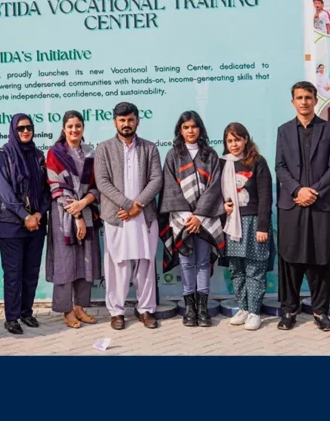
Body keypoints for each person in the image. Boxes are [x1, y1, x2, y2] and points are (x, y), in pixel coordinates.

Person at [95, 102, 162, 330]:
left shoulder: (150, 148)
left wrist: (138, 206)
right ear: (115, 122)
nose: (126, 124)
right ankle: (117, 312)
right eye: (122, 120)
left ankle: (146, 310)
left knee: (146, 263)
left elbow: (156, 179)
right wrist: (127, 205)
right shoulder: (104, 149)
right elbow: (102, 181)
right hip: (118, 216)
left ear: (137, 121)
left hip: (145, 216)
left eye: (130, 120)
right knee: (118, 265)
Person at [275, 81, 330, 332]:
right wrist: (298, 190)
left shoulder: (329, 130)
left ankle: (320, 312)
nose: (304, 102)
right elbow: (280, 167)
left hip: (321, 204)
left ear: (315, 100)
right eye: (299, 98)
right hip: (292, 204)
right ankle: (289, 310)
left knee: (320, 259)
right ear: (293, 102)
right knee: (290, 258)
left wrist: (314, 191)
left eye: (308, 97)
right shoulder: (283, 130)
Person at [159, 111, 224, 327]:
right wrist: (188, 217)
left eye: (194, 127)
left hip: (206, 219)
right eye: (186, 127)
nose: (190, 131)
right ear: (180, 130)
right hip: (182, 219)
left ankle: (202, 308)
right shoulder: (173, 155)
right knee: (186, 262)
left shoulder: (210, 154)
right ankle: (189, 308)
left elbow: (215, 186)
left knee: (203, 262)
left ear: (200, 129)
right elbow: (170, 186)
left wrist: (199, 216)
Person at [0, 113, 50, 334]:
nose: (25, 131)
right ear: (13, 130)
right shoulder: (3, 155)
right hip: (11, 224)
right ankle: (12, 317)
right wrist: (24, 216)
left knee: (31, 272)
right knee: (14, 273)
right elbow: (4, 190)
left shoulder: (38, 155)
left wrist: (38, 213)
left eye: (29, 127)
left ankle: (26, 312)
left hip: (36, 223)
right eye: (20, 128)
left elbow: (46, 189)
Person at [45, 110, 101, 328]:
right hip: (63, 214)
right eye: (70, 126)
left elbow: (96, 186)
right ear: (63, 128)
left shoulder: (90, 152)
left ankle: (80, 307)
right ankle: (66, 310)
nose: (74, 130)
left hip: (86, 210)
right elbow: (56, 186)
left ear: (83, 128)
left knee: (85, 260)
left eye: (78, 126)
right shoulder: (55, 153)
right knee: (65, 261)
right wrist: (76, 214)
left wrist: (84, 203)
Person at [221, 122, 273, 331]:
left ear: (245, 139)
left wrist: (263, 227)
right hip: (232, 225)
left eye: (237, 140)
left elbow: (265, 197)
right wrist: (222, 205)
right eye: (229, 141)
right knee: (236, 270)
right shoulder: (223, 164)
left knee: (255, 269)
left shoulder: (257, 162)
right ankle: (242, 308)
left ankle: (254, 312)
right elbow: (215, 193)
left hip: (253, 223)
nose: (234, 144)